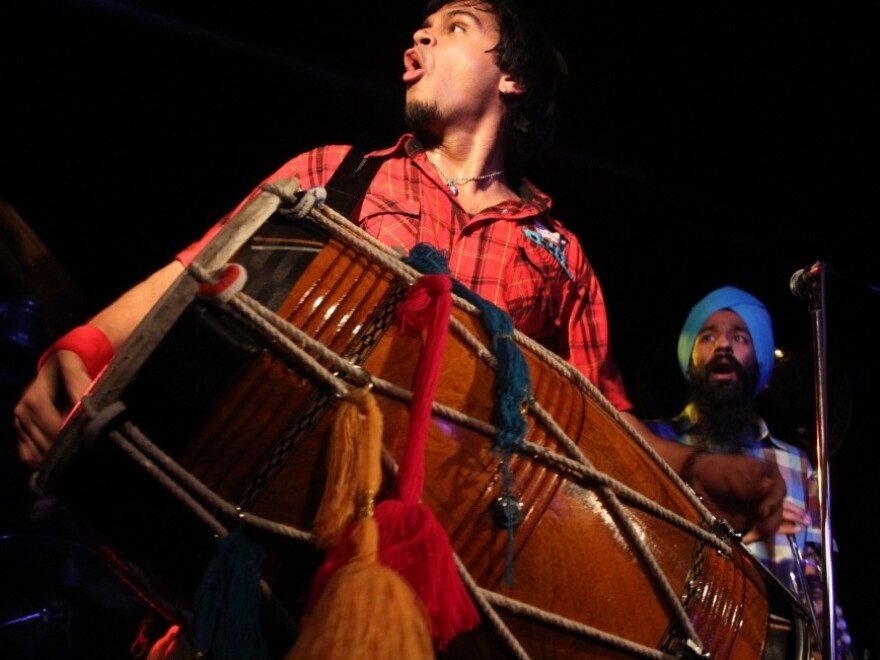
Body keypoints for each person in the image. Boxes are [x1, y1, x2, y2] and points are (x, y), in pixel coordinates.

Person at [14, 0, 783, 563]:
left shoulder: (560, 253)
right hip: (285, 529)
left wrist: (697, 467)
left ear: (510, 76)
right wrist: (82, 341)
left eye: (454, 27)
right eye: (420, 27)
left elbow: (599, 427)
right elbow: (193, 275)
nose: (419, 35)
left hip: (461, 565)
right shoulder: (331, 174)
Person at [643, 285, 853, 657]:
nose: (723, 345)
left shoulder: (797, 466)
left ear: (757, 359)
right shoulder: (651, 443)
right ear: (690, 356)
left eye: (739, 337)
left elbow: (818, 587)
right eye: (708, 336)